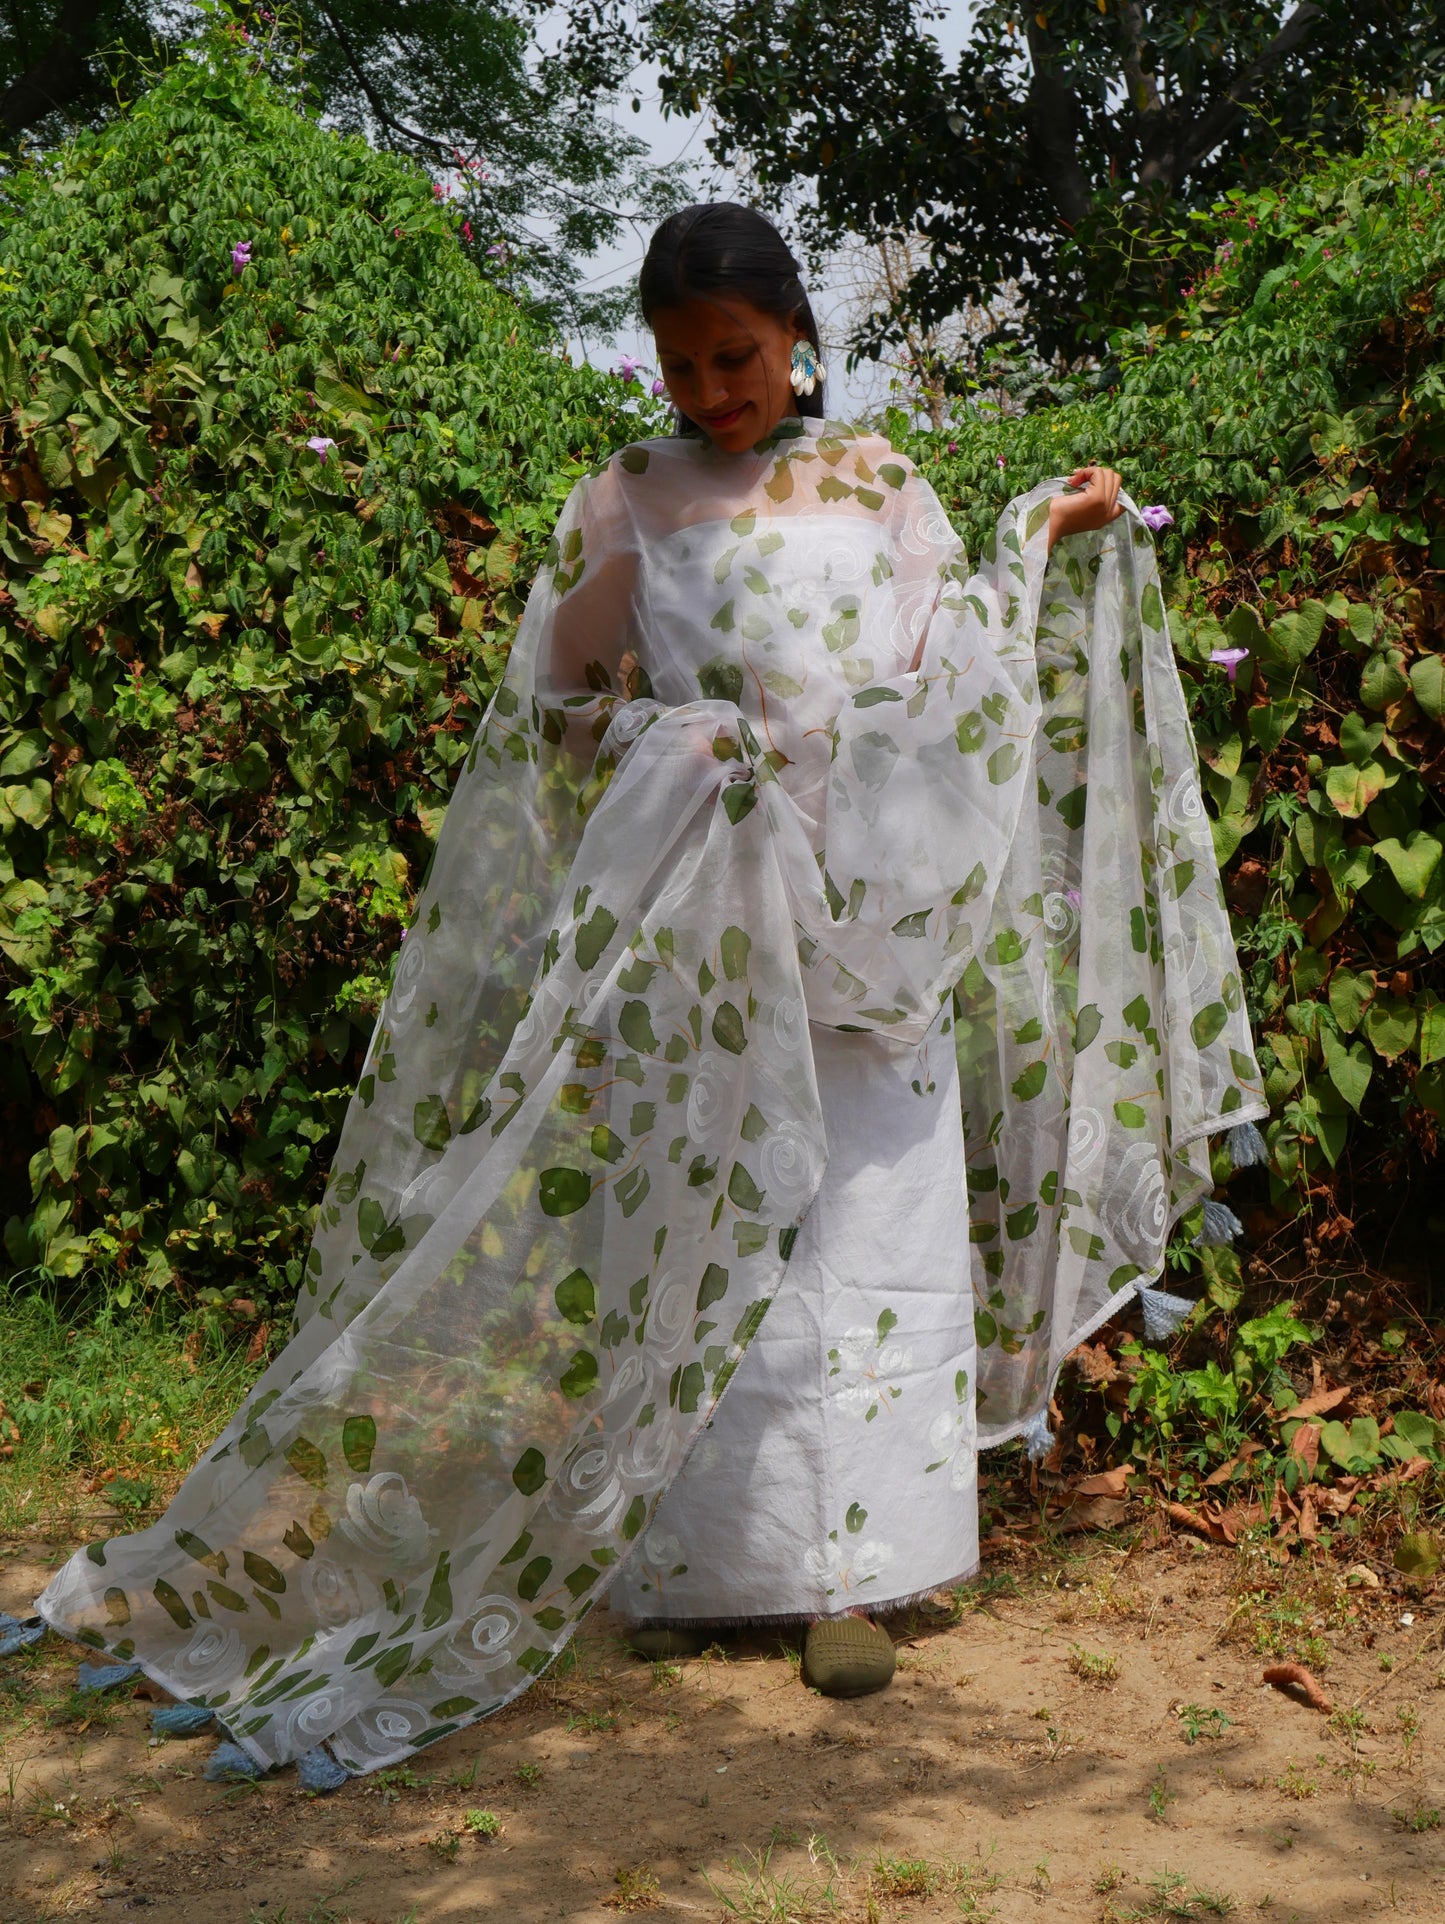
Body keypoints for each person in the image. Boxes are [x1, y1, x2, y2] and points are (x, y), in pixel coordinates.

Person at [30, 204, 1265, 1781]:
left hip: (868, 913)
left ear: (796, 338)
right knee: (697, 1231)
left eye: (737, 358)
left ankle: (854, 1577)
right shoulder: (623, 498)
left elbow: (952, 677)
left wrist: (1035, 533)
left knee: (861, 1233)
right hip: (701, 915)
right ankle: (693, 1568)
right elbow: (552, 713)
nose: (712, 391)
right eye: (684, 365)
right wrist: (668, 746)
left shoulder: (881, 482)